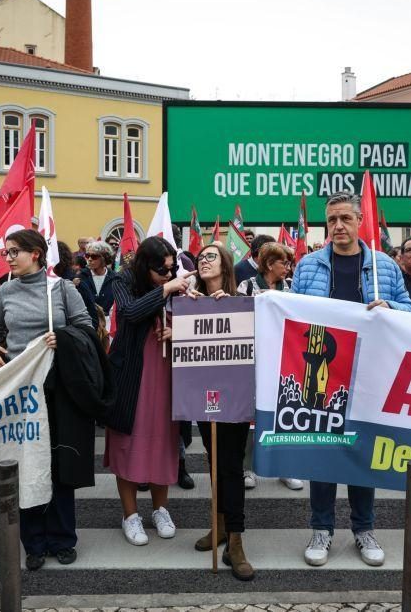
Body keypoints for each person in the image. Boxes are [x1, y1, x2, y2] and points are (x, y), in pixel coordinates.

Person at [291, 192, 411, 568]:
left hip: (369, 371)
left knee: (363, 451)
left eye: (345, 218)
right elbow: (292, 312)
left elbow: (409, 308)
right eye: (332, 220)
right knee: (323, 454)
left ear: (361, 220)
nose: (339, 226)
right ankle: (321, 528)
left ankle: (364, 528)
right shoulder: (308, 265)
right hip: (320, 371)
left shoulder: (384, 266)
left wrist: (390, 307)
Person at [0, 229, 94, 570]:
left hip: (57, 389)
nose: (8, 258)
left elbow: (86, 326)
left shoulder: (61, 289)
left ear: (36, 254)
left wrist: (64, 338)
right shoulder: (5, 291)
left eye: (14, 252)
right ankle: (33, 540)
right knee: (26, 464)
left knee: (57, 464)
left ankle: (62, 537)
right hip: (20, 392)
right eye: (6, 253)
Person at [104, 236, 188, 546]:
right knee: (128, 441)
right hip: (131, 375)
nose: (168, 275)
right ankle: (130, 514)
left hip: (167, 373)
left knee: (164, 440)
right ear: (144, 266)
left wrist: (177, 329)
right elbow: (129, 312)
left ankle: (160, 509)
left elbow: (197, 320)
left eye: (171, 269)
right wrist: (165, 289)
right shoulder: (122, 280)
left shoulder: (177, 283)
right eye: (161, 271)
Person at [182, 243, 255, 580]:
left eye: (210, 256)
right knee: (213, 462)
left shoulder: (245, 296)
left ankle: (236, 541)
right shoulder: (188, 301)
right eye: (200, 258)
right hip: (202, 393)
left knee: (230, 466)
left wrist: (239, 308)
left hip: (235, 394)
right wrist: (175, 329)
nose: (203, 261)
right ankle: (220, 525)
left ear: (225, 263)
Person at [235, 241, 303, 492]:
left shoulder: (290, 287)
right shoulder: (247, 285)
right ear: (268, 264)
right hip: (254, 356)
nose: (287, 267)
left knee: (284, 412)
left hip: (283, 357)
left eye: (288, 263)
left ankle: (284, 467)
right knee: (252, 415)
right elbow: (240, 318)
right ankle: (248, 468)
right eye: (283, 263)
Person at [79, 240, 120, 315]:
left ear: (104, 258)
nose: (90, 259)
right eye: (87, 255)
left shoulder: (115, 278)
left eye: (94, 256)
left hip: (108, 322)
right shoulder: (81, 276)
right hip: (87, 321)